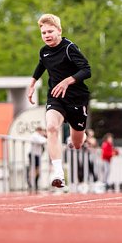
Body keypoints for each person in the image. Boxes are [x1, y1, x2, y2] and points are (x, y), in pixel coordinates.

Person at [27, 13, 92, 189]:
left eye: (50, 31)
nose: (46, 35)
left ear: (59, 31)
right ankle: (58, 173)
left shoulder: (69, 48)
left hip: (77, 98)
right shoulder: (44, 51)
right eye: (43, 33)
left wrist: (67, 81)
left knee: (77, 143)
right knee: (51, 127)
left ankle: (78, 137)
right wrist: (32, 84)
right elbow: (41, 65)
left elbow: (86, 70)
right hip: (56, 97)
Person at [28, 126, 48, 190]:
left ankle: (35, 183)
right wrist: (45, 136)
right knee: (33, 169)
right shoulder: (35, 135)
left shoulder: (39, 136)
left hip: (37, 155)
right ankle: (30, 183)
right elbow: (42, 141)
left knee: (37, 170)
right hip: (33, 154)